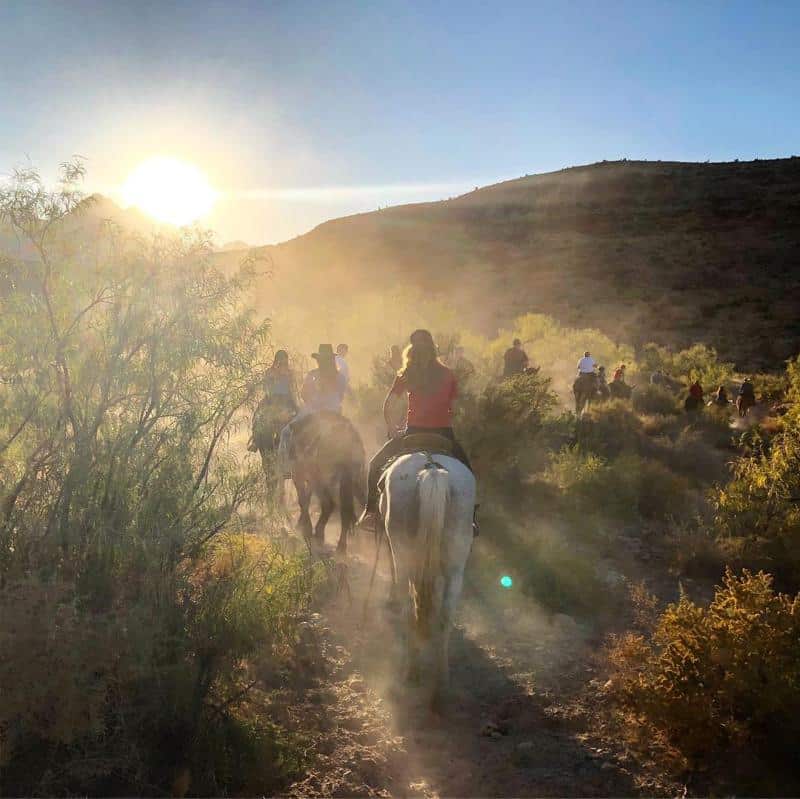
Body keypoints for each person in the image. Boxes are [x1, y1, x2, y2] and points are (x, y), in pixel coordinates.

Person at [358, 329, 471, 529]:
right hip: (443, 433)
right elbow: (456, 406)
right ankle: (470, 519)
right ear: (433, 350)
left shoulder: (406, 373)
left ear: (411, 349)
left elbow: (389, 404)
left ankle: (371, 512)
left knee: (375, 465)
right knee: (467, 468)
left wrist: (393, 427)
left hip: (413, 432)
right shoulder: (447, 374)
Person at [249, 349, 298, 452]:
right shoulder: (270, 372)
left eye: (284, 361)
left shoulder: (290, 373)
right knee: (258, 416)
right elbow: (266, 388)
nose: (282, 363)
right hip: (271, 400)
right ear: (276, 360)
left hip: (287, 400)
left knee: (300, 414)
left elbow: (293, 388)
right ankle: (255, 440)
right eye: (280, 360)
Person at [300, 344, 347, 414]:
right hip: (332, 411)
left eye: (325, 360)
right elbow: (341, 396)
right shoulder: (340, 377)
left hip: (315, 412)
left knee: (295, 423)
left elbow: (304, 394)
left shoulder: (312, 375)